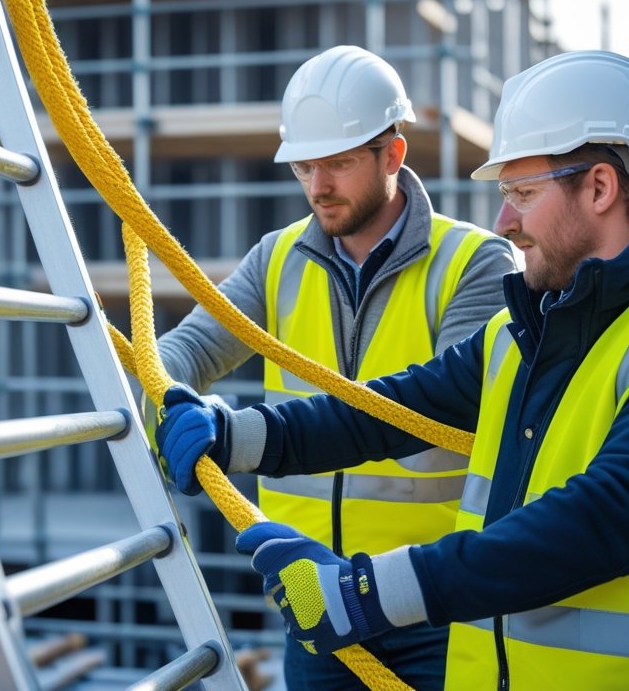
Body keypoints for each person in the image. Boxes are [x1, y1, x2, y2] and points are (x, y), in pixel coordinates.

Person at [156, 50, 629, 690]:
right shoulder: (529, 330)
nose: (505, 221)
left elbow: (603, 521)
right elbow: (390, 410)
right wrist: (236, 435)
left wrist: (363, 593)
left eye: (522, 193)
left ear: (600, 187)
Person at [154, 44, 516, 690]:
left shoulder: (477, 264)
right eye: (304, 167)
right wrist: (168, 396)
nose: (318, 187)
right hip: (312, 597)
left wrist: (241, 433)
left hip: (435, 603)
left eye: (339, 164)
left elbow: (438, 411)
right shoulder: (278, 257)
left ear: (393, 156)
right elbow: (191, 349)